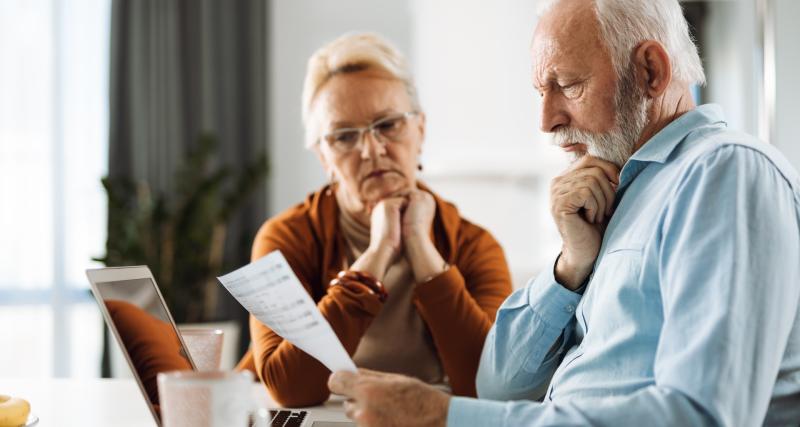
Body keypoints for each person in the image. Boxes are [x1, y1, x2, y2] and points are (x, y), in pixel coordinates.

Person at [327, 0, 800, 426]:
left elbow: (701, 417)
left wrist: (441, 417)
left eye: (568, 85)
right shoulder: (617, 191)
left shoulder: (725, 173)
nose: (546, 120)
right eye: (541, 91)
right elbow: (500, 383)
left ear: (651, 71)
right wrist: (570, 266)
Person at [241, 32, 513, 407]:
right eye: (343, 136)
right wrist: (378, 253)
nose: (371, 150)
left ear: (420, 129)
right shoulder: (286, 238)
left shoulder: (473, 245)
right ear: (324, 158)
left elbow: (490, 386)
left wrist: (421, 248)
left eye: (387, 125)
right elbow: (291, 389)